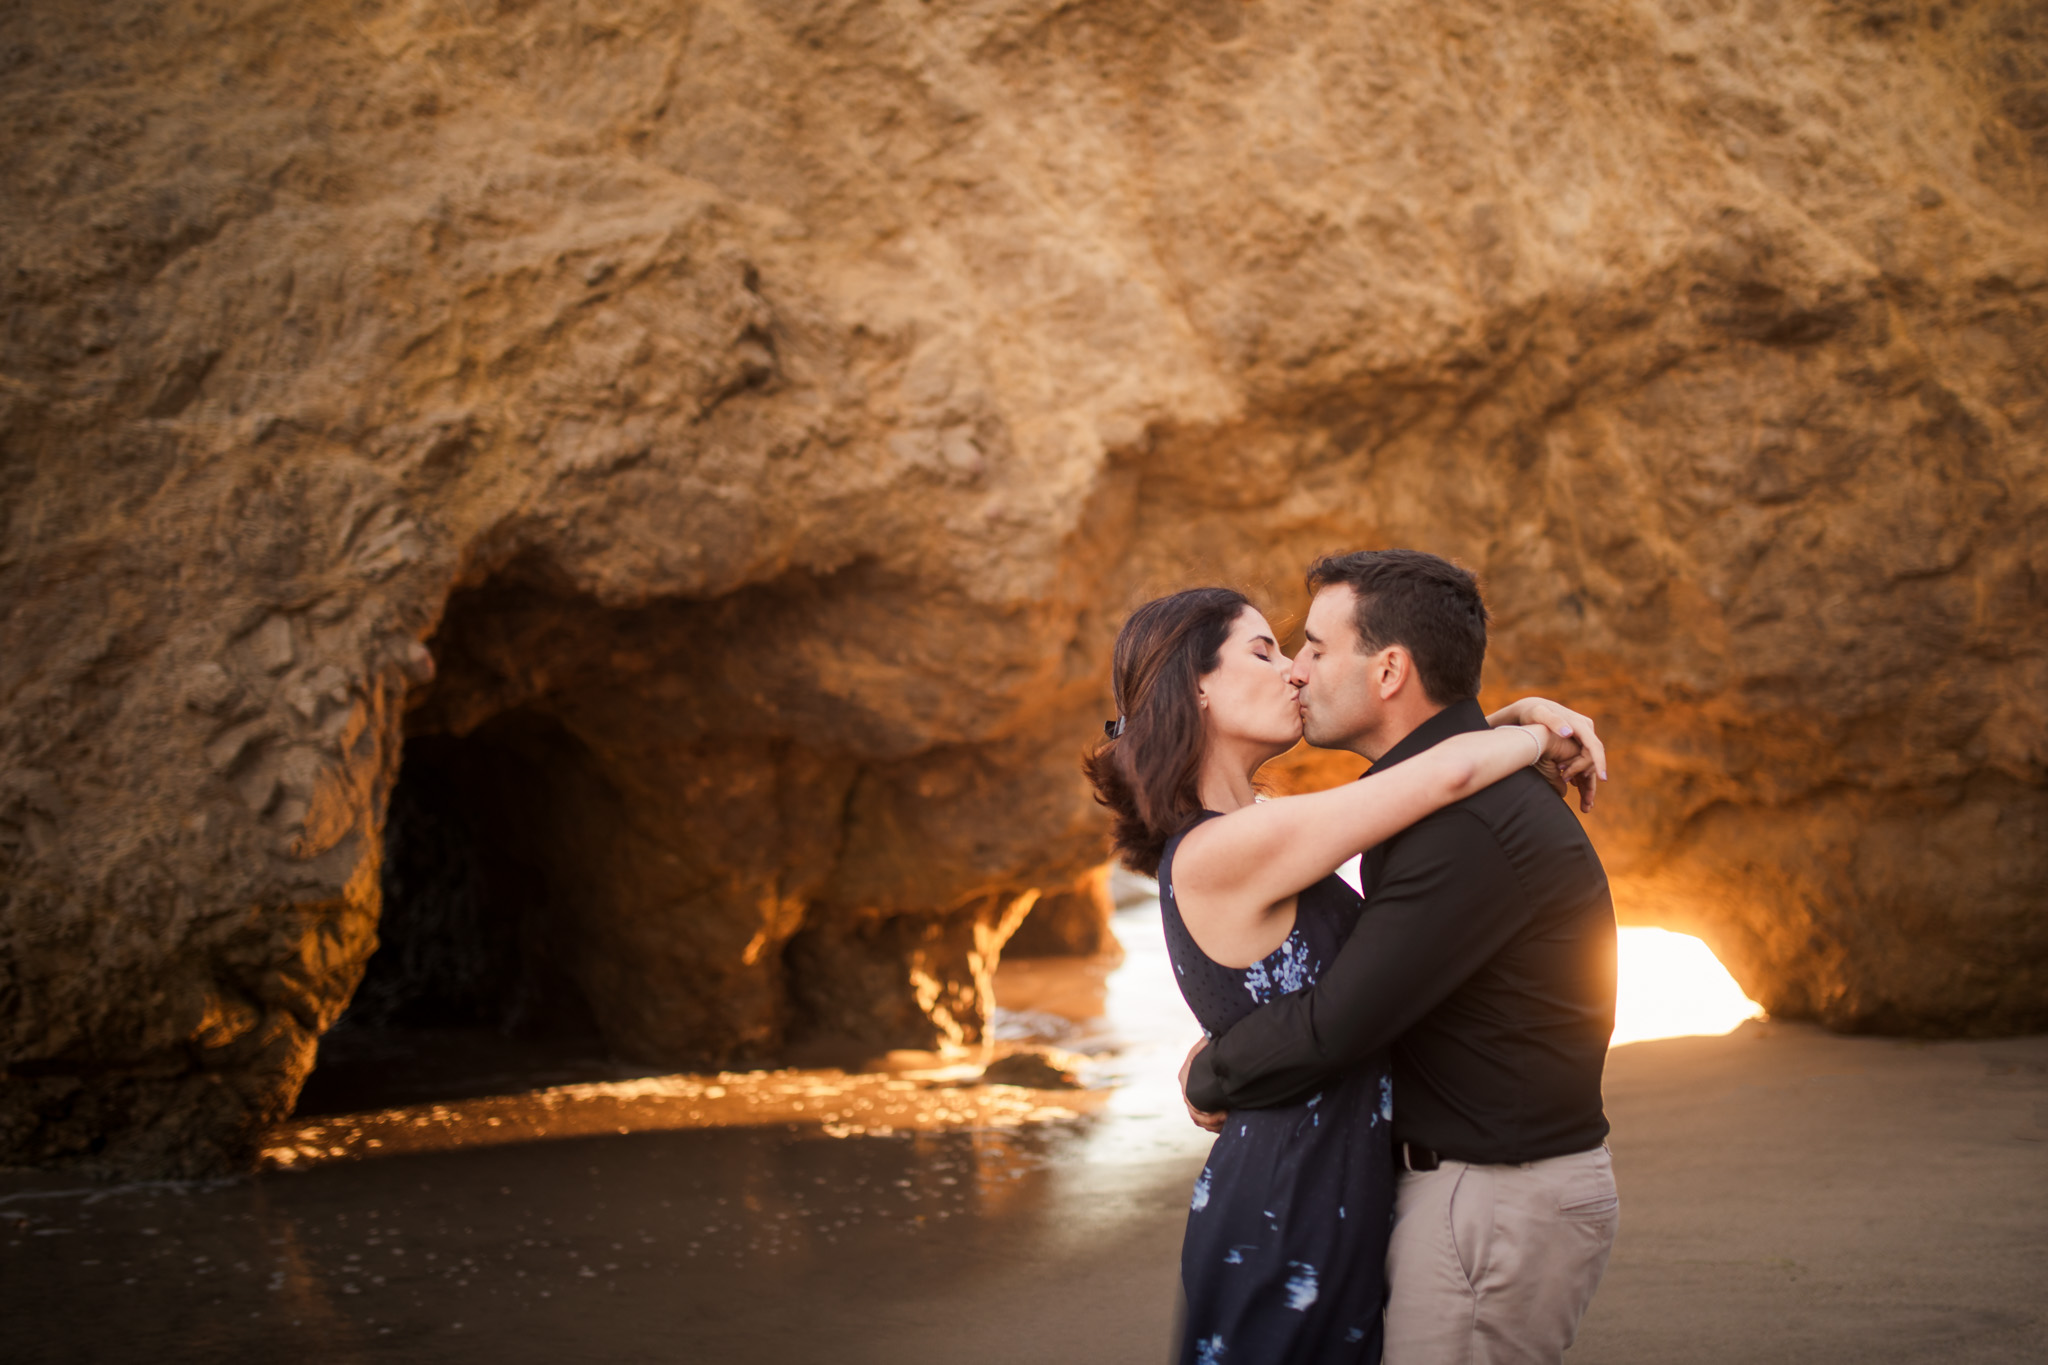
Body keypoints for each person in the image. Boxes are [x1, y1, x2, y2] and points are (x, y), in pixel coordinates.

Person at [1081, 582, 1601, 1365]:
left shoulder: (1261, 828)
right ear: (1199, 687)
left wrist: (1513, 717)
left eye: (1298, 651)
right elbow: (1439, 780)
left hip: (1338, 1191)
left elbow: (1408, 786)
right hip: (1288, 1203)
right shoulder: (1225, 848)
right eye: (1265, 651)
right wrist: (1535, 733)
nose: (1294, 671)